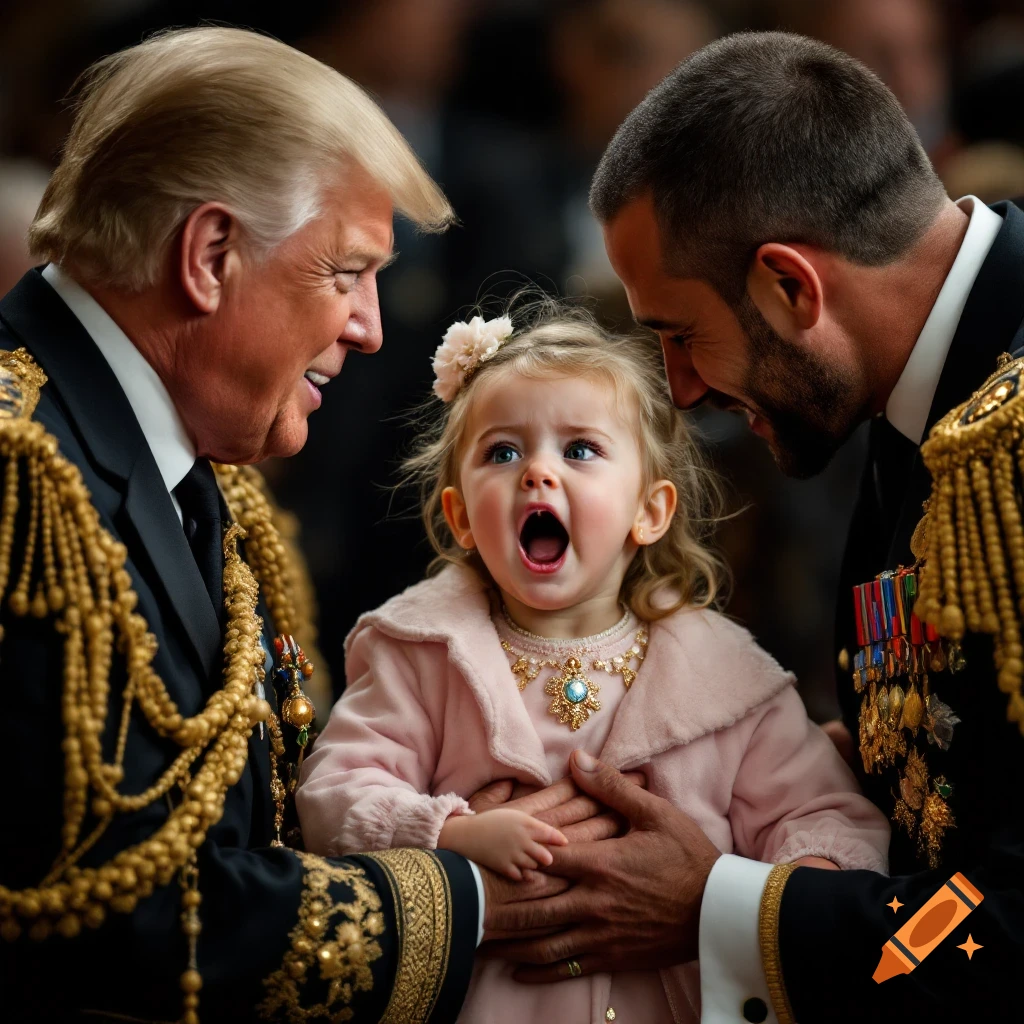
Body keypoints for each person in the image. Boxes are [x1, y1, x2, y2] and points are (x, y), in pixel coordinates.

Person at [0, 25, 597, 1024]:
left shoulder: (178, 458)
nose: (369, 326)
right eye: (346, 273)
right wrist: (472, 897)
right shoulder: (23, 475)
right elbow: (107, 918)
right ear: (211, 255)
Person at [479, 30, 1024, 1024]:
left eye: (682, 336)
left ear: (790, 285)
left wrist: (722, 907)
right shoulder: (923, 380)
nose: (681, 390)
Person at [295, 304, 890, 1022]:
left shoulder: (732, 681)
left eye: (579, 450)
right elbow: (334, 794)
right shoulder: (420, 656)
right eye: (502, 453)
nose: (537, 474)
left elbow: (826, 820)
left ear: (650, 510)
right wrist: (449, 836)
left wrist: (750, 902)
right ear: (461, 517)